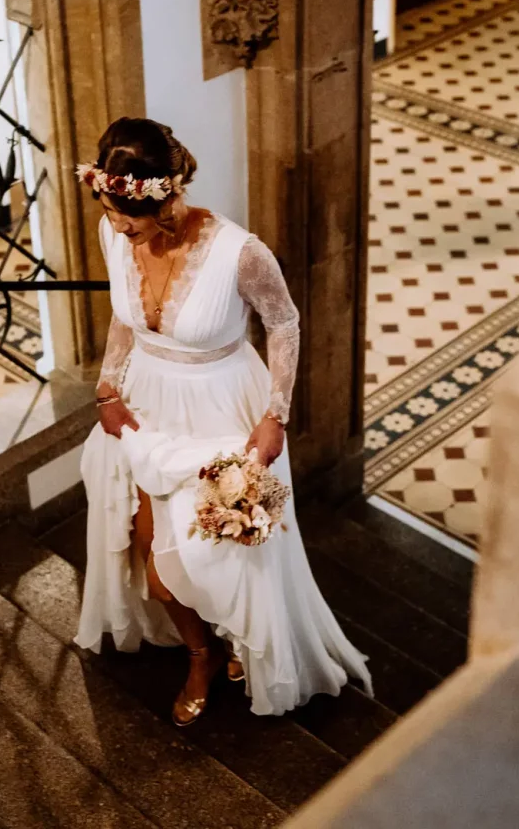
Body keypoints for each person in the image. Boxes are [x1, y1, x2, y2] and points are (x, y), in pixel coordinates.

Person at [74, 116, 372, 726]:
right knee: (152, 562)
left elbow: (283, 323)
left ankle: (240, 640)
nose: (118, 227)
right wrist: (108, 386)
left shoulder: (241, 252)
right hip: (146, 409)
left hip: (223, 409)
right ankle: (200, 653)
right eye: (109, 211)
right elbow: (125, 319)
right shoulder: (117, 233)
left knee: (225, 549)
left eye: (127, 215)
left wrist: (276, 415)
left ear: (164, 195)